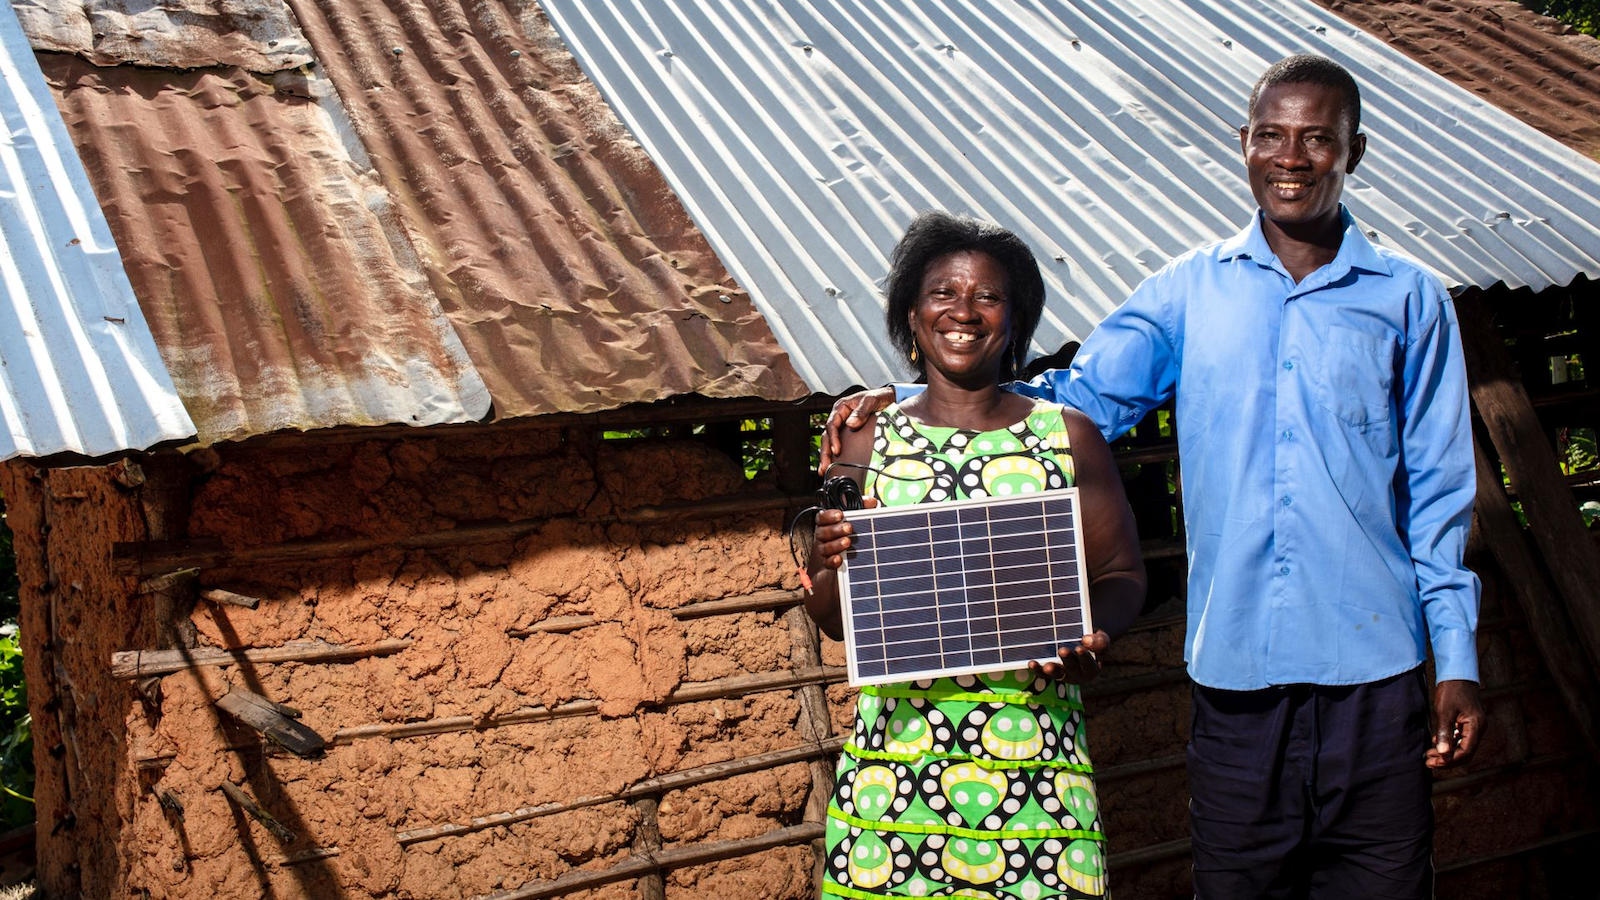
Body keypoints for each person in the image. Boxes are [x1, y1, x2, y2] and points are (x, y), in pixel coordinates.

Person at [819, 55, 1484, 899]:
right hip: (1237, 682)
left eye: (1318, 138)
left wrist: (1455, 657)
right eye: (1271, 136)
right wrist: (915, 399)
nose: (1292, 156)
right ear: (1243, 146)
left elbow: (1437, 498)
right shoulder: (1186, 294)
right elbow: (1075, 402)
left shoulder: (1411, 301)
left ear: (1356, 150)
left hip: (1377, 679)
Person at [806, 210, 1146, 899]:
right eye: (942, 294)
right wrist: (828, 558)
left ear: (1015, 321)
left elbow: (1120, 574)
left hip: (1035, 765)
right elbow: (837, 619)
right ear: (911, 314)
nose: (964, 311)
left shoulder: (1068, 437)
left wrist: (1096, 632)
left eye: (988, 296)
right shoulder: (866, 439)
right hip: (896, 770)